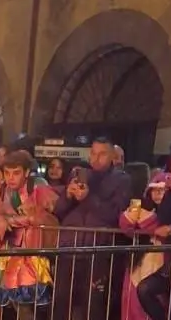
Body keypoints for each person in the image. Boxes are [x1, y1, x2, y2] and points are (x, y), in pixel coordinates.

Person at [0, 151, 59, 319]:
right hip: (4, 252)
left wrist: (10, 221)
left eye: (16, 173)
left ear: (26, 172)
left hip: (28, 254)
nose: (11, 178)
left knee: (23, 305)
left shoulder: (37, 188)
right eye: (7, 173)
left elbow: (40, 217)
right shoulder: (2, 191)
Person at [53, 137, 132, 320]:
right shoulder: (79, 174)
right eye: (93, 153)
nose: (96, 158)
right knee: (61, 304)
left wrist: (88, 198)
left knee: (94, 306)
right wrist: (68, 195)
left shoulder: (122, 180)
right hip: (69, 249)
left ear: (112, 156)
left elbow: (115, 214)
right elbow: (58, 211)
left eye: (102, 154)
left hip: (99, 251)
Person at [119, 172, 171, 320]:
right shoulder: (141, 206)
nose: (158, 195)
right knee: (133, 298)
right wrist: (136, 217)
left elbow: (164, 228)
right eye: (155, 190)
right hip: (140, 261)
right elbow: (126, 224)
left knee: (156, 298)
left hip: (163, 262)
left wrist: (146, 224)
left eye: (163, 191)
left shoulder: (170, 213)